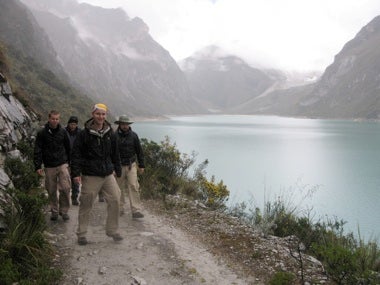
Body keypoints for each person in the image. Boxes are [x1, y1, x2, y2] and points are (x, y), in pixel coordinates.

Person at [71, 103, 123, 245]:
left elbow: (115, 153)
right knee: (86, 203)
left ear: (106, 115)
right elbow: (76, 155)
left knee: (116, 199)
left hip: (107, 174)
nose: (101, 117)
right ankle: (81, 234)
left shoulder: (110, 133)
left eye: (103, 114)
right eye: (98, 114)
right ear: (92, 114)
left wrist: (118, 170)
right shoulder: (84, 134)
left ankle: (112, 230)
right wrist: (75, 173)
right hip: (90, 174)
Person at [34, 110, 71, 221]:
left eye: (57, 119)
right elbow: (38, 149)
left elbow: (68, 148)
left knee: (65, 188)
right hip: (49, 165)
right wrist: (37, 165)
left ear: (59, 119)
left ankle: (64, 211)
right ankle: (54, 211)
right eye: (53, 119)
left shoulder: (63, 132)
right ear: (49, 119)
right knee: (51, 189)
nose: (55, 121)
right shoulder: (42, 133)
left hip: (62, 163)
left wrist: (70, 163)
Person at [114, 115, 145, 218]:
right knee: (118, 188)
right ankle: (119, 208)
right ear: (119, 124)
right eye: (123, 124)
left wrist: (141, 165)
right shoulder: (114, 136)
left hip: (131, 165)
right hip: (118, 166)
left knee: (134, 186)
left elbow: (139, 151)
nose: (125, 126)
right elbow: (111, 153)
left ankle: (136, 210)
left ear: (129, 125)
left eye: (126, 124)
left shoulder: (134, 136)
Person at [65, 116, 81, 206]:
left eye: (74, 124)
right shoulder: (63, 132)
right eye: (71, 124)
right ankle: (66, 199)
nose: (73, 126)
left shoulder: (80, 132)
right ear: (68, 123)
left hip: (76, 159)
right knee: (66, 181)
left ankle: (74, 197)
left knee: (76, 179)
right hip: (66, 159)